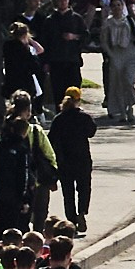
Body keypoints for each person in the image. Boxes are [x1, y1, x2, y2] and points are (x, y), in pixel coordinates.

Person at [49, 87, 97, 233]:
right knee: (84, 187)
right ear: (78, 100)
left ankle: (71, 219)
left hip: (64, 160)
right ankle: (82, 211)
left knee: (68, 192)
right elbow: (91, 132)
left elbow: (51, 139)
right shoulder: (84, 117)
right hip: (82, 158)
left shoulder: (59, 118)